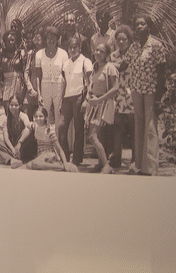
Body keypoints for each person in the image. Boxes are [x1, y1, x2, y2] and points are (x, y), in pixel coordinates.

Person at [124, 15, 166, 176]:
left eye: (143, 24)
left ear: (149, 27)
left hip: (151, 91)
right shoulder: (134, 47)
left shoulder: (156, 46)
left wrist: (159, 98)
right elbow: (123, 64)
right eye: (137, 24)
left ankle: (151, 167)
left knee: (150, 128)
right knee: (139, 126)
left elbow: (162, 72)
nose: (139, 26)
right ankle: (140, 166)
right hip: (136, 90)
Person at [83, 42, 119, 174]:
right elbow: (90, 85)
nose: (98, 53)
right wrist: (88, 99)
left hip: (103, 104)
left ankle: (106, 166)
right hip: (93, 104)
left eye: (102, 51)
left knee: (92, 136)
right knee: (98, 136)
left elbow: (115, 88)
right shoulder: (95, 66)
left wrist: (99, 99)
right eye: (96, 50)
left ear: (107, 54)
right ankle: (101, 163)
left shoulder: (110, 68)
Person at [57, 36, 93, 166]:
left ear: (79, 48)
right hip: (67, 98)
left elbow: (90, 82)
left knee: (79, 129)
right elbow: (64, 83)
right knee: (61, 127)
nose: (72, 50)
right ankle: (65, 156)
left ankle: (77, 158)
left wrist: (86, 100)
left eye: (75, 47)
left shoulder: (85, 61)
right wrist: (61, 101)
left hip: (79, 97)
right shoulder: (66, 63)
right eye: (70, 47)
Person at [109, 24, 136, 170]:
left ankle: (135, 159)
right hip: (118, 95)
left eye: (124, 39)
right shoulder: (113, 55)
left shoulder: (134, 54)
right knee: (117, 127)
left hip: (131, 94)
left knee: (133, 128)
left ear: (129, 40)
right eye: (118, 39)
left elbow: (121, 67)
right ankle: (116, 158)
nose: (121, 42)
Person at [25, 106, 77, 172]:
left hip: (49, 154)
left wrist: (65, 162)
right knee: (29, 165)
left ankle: (62, 166)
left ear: (46, 117)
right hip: (41, 155)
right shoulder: (35, 126)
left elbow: (59, 149)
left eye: (41, 116)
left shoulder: (49, 130)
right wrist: (19, 142)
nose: (38, 118)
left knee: (34, 164)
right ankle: (56, 167)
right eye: (36, 116)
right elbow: (27, 126)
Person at [35, 26, 68, 127]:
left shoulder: (63, 54)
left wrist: (64, 94)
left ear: (57, 39)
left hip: (59, 84)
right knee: (44, 112)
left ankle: (57, 139)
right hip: (45, 84)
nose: (51, 40)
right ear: (45, 39)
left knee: (58, 113)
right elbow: (38, 76)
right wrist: (39, 93)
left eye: (54, 38)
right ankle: (44, 139)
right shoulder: (39, 54)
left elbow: (66, 75)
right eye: (49, 38)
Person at [0, 95, 36, 168]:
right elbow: (6, 138)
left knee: (27, 129)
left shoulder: (23, 116)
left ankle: (9, 157)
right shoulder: (6, 119)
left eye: (16, 105)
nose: (14, 107)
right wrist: (13, 149)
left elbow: (28, 127)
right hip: (13, 147)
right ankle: (12, 159)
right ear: (8, 106)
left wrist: (19, 143)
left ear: (20, 106)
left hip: (23, 146)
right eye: (11, 105)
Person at [0, 30, 27, 112]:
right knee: (7, 109)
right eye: (8, 40)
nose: (10, 42)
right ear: (4, 41)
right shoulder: (1, 52)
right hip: (6, 83)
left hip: (17, 82)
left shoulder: (20, 53)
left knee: (18, 109)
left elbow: (25, 69)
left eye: (12, 40)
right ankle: (9, 125)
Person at [23, 27, 44, 120]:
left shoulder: (47, 53)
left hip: (44, 89)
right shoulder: (31, 54)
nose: (37, 39)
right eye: (35, 37)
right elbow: (26, 72)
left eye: (39, 38)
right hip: (31, 89)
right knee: (27, 111)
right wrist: (30, 88)